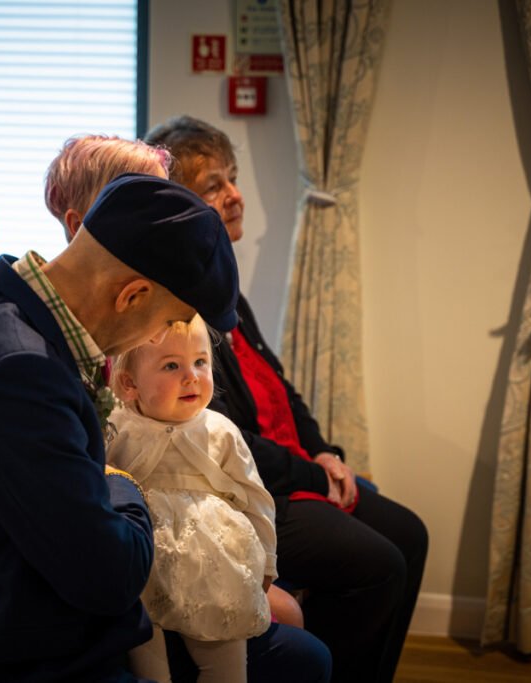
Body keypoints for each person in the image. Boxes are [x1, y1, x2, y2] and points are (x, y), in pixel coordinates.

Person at [0, 173, 241, 681]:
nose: (154, 338)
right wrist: (125, 484)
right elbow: (108, 577)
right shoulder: (18, 370)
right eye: (166, 323)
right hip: (28, 660)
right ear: (132, 295)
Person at [145, 115, 429, 683]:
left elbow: (280, 387)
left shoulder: (225, 288)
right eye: (213, 186)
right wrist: (312, 475)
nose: (234, 196)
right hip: (244, 492)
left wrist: (325, 452)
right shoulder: (175, 308)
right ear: (179, 207)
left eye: (232, 178)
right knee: (379, 564)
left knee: (409, 533)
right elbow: (226, 439)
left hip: (288, 469)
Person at [45, 134, 328, 682]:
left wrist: (261, 561)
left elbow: (248, 475)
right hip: (129, 569)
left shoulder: (185, 351)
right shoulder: (73, 358)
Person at [108, 315, 276, 683]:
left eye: (201, 362)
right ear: (128, 383)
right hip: (145, 566)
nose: (192, 376)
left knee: (226, 665)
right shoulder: (117, 428)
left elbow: (256, 498)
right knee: (147, 658)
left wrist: (268, 562)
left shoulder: (220, 431)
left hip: (215, 566)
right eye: (171, 366)